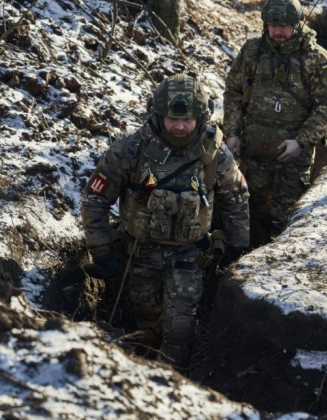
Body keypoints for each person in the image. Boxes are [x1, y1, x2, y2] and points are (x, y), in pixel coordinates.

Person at [80, 74, 250, 370]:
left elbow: (236, 200)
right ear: (158, 116)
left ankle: (173, 383)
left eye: (188, 120)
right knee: (146, 323)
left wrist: (238, 248)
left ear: (202, 117)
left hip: (189, 255)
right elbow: (95, 199)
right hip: (139, 254)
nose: (180, 127)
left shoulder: (215, 155)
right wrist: (101, 251)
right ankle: (142, 374)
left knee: (179, 326)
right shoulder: (131, 151)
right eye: (173, 119)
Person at [223, 0, 327, 246]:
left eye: (284, 26)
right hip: (253, 149)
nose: (278, 31)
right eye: (273, 25)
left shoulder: (315, 59)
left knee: (285, 214)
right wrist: (232, 132)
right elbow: (233, 91)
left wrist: (300, 141)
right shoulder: (252, 52)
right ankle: (242, 259)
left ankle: (276, 260)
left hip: (292, 155)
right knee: (249, 208)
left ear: (296, 24)